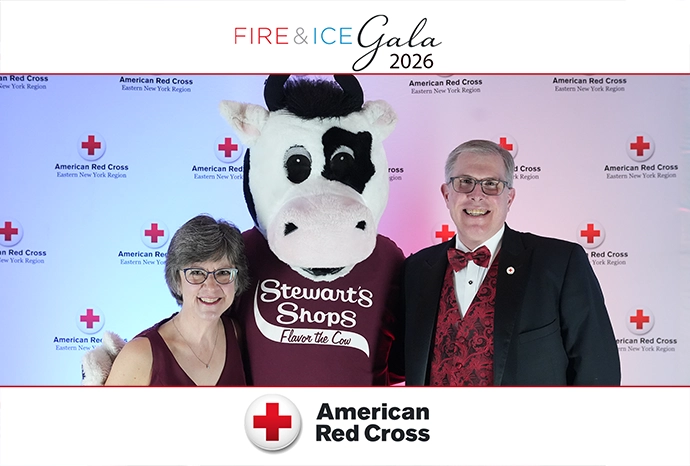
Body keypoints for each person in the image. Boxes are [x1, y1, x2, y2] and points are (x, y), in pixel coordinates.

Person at [399, 139, 620, 386]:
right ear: (446, 194)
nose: (476, 195)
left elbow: (598, 370)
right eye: (465, 182)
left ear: (509, 198)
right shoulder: (416, 269)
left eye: (491, 184)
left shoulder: (560, 263)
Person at [105, 215, 248, 386]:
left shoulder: (235, 333)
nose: (211, 287)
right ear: (177, 281)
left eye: (223, 273)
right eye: (196, 273)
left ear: (237, 280)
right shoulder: (139, 355)